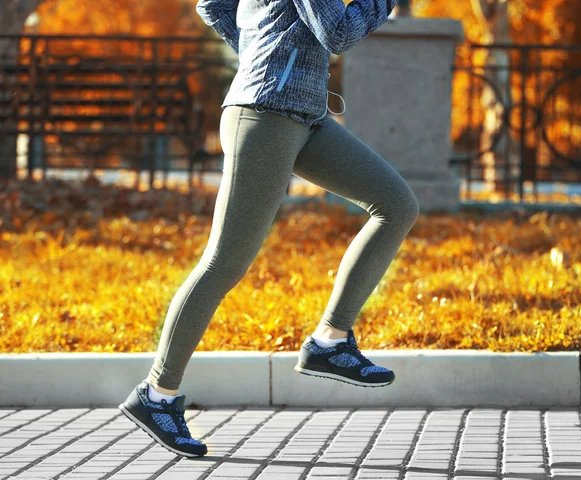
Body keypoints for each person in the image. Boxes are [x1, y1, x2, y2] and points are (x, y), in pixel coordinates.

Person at [119, 0, 419, 458]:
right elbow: (336, 33)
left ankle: (330, 342)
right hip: (264, 115)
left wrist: (262, 49)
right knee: (224, 262)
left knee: (396, 204)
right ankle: (155, 395)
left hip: (305, 115)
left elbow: (212, 4)